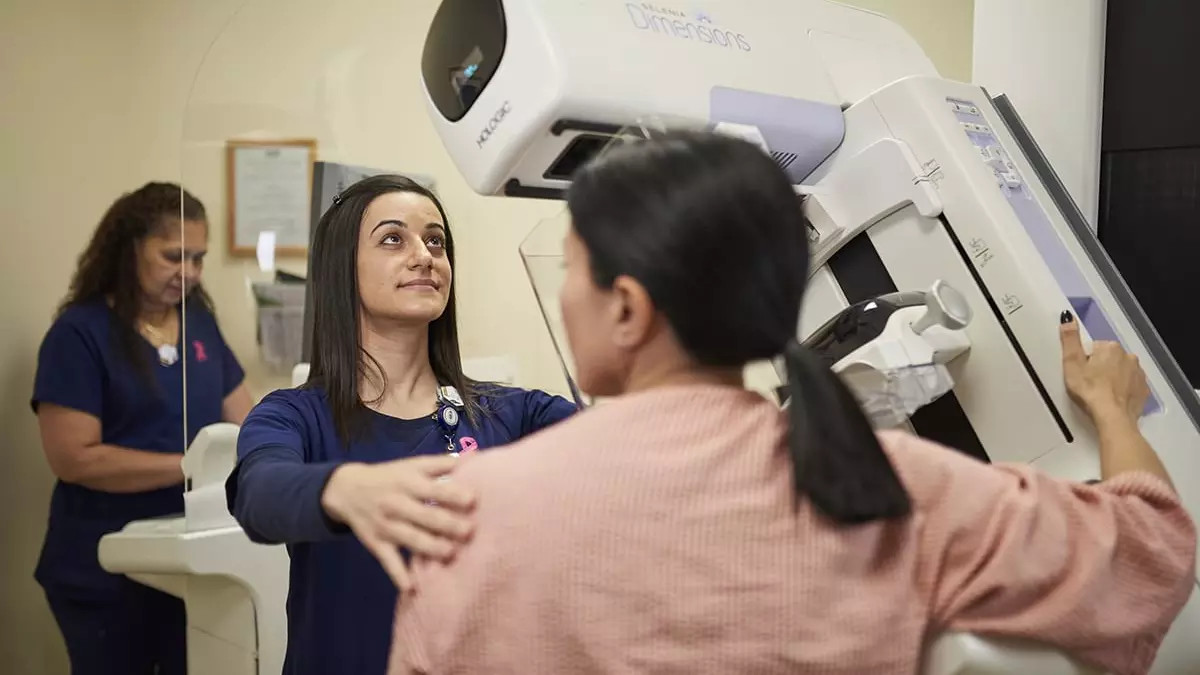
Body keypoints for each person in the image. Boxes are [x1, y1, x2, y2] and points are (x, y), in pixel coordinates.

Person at [386, 131, 1197, 675]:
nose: (564, 296)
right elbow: (1153, 554)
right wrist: (1114, 409)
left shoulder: (466, 517)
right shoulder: (897, 490)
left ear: (627, 308)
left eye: (571, 269)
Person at [226, 174, 577, 675]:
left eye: (435, 240)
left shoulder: (513, 413)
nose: (424, 255)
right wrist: (343, 489)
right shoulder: (294, 415)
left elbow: (622, 449)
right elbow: (258, 494)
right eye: (394, 239)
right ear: (341, 269)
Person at [32, 182, 253, 675]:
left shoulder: (199, 325)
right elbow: (74, 458)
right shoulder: (79, 334)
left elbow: (247, 421)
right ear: (130, 249)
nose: (190, 273)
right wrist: (189, 467)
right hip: (104, 571)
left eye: (198, 258)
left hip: (191, 562)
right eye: (175, 256)